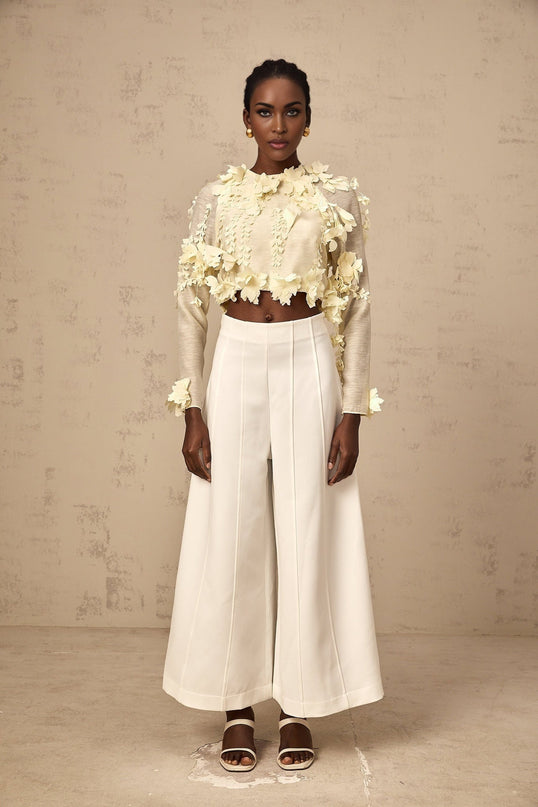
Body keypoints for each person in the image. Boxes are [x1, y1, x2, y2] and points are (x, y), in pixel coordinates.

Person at [163, 58, 384, 773]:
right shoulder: (215, 201)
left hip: (307, 359)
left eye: (292, 112)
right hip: (238, 364)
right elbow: (191, 309)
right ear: (246, 118)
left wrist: (352, 411)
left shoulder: (336, 197)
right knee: (233, 528)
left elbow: (357, 305)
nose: (278, 125)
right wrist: (192, 407)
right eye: (265, 111)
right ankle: (235, 703)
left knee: (305, 525)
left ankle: (296, 704)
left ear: (309, 118)